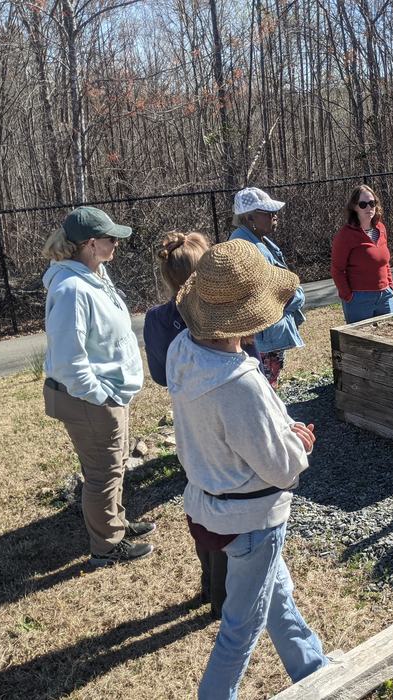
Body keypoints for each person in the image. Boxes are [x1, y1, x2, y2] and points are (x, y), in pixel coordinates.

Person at [167, 239, 329, 697]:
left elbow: (236, 430)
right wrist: (298, 445)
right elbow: (281, 469)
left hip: (209, 502)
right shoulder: (238, 384)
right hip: (251, 518)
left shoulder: (183, 350)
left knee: (276, 596)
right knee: (241, 628)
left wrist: (281, 428)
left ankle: (313, 669)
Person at [143, 230, 262, 619]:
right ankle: (222, 597)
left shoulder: (158, 320)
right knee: (228, 502)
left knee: (201, 495)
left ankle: (210, 582)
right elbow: (250, 361)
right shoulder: (226, 317)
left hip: (188, 419)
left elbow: (161, 374)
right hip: (226, 419)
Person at [41, 206, 153, 566]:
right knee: (103, 473)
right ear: (91, 244)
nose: (116, 243)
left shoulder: (94, 274)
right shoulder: (72, 288)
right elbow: (68, 361)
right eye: (110, 238)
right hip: (91, 400)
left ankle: (116, 522)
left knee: (114, 465)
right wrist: (101, 396)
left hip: (110, 393)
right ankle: (106, 547)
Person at [230, 187, 306, 388]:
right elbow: (271, 295)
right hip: (261, 337)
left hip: (267, 333)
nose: (275, 216)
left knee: (268, 384)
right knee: (264, 388)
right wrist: (297, 296)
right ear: (249, 218)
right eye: (267, 212)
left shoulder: (257, 240)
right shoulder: (247, 248)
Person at [330, 185, 393, 323]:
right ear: (354, 207)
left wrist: (390, 286)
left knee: (389, 338)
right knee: (361, 342)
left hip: (385, 296)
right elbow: (337, 270)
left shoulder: (381, 229)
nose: (369, 208)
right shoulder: (345, 236)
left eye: (372, 203)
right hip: (359, 300)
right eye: (363, 204)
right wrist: (348, 296)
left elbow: (385, 263)